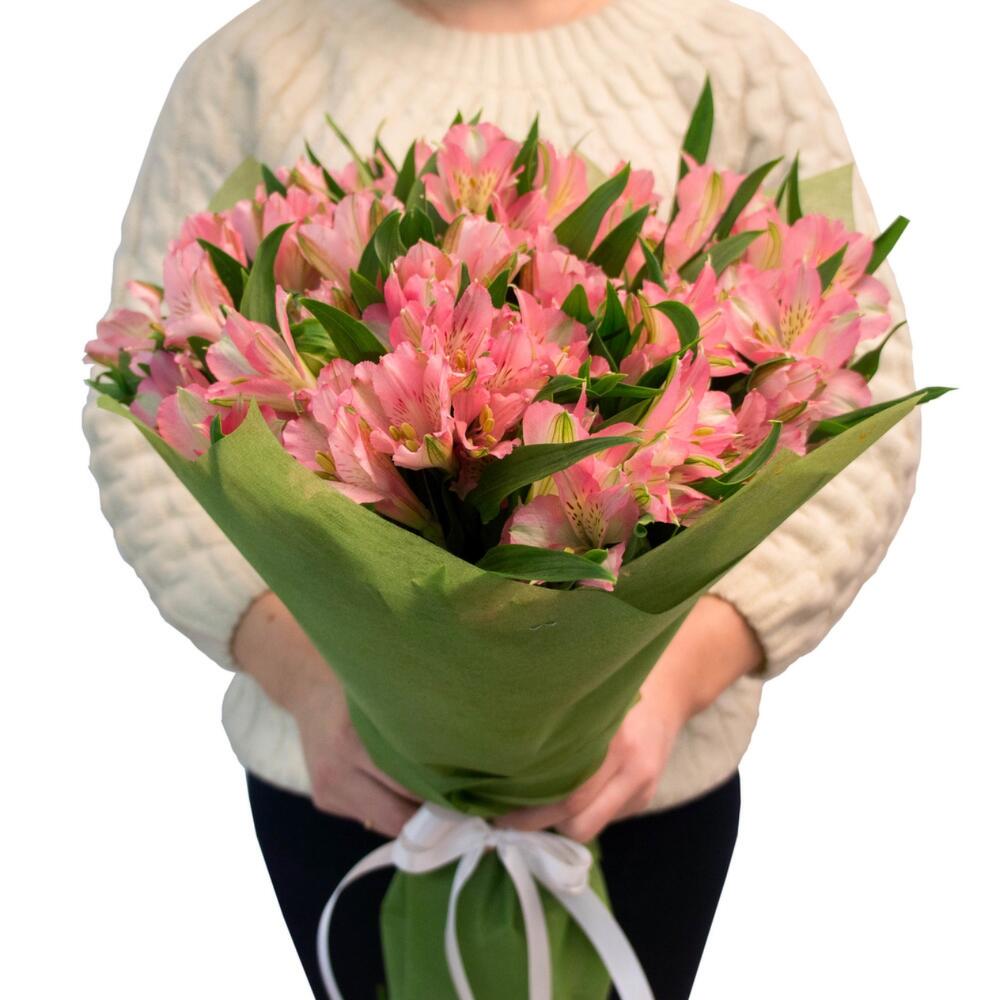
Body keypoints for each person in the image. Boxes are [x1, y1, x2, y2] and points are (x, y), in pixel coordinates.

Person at [82, 0, 921, 996]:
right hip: (337, 779)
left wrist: (674, 682)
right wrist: (304, 678)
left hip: (647, 785)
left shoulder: (737, 59)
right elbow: (147, 402)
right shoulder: (250, 65)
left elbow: (855, 420)